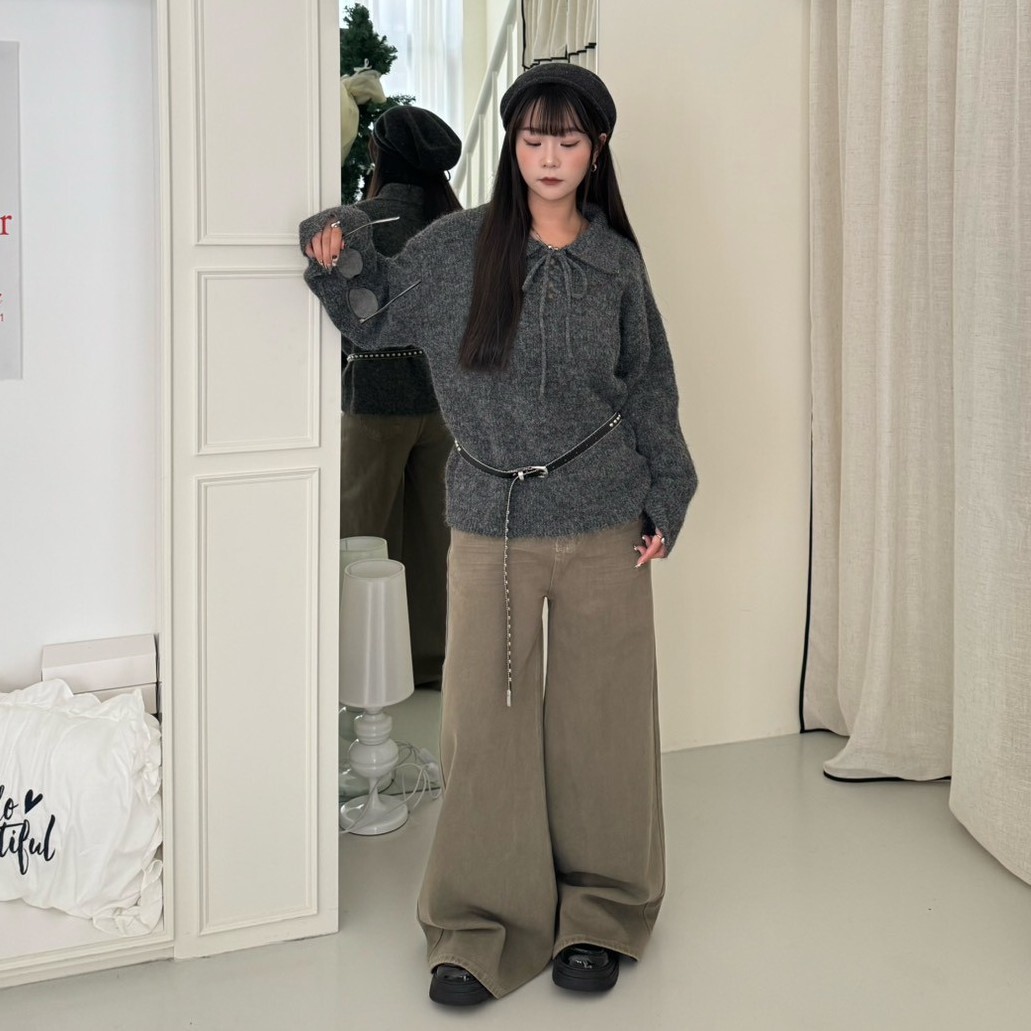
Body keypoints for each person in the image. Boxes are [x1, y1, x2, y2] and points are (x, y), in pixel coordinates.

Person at [301, 63, 698, 1006]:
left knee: (602, 722)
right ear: (513, 146)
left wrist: (667, 494)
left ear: (596, 149)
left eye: (568, 139)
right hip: (491, 521)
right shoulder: (459, 247)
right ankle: (479, 924)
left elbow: (649, 384)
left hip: (606, 517)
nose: (549, 156)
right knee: (483, 724)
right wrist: (339, 241)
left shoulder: (615, 262)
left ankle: (602, 911)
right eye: (533, 138)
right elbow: (372, 315)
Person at [339, 105, 461, 690]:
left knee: (363, 540)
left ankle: (355, 669)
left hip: (374, 404)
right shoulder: (457, 225)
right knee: (437, 541)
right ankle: (431, 663)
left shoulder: (357, 225)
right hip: (443, 407)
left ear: (380, 156)